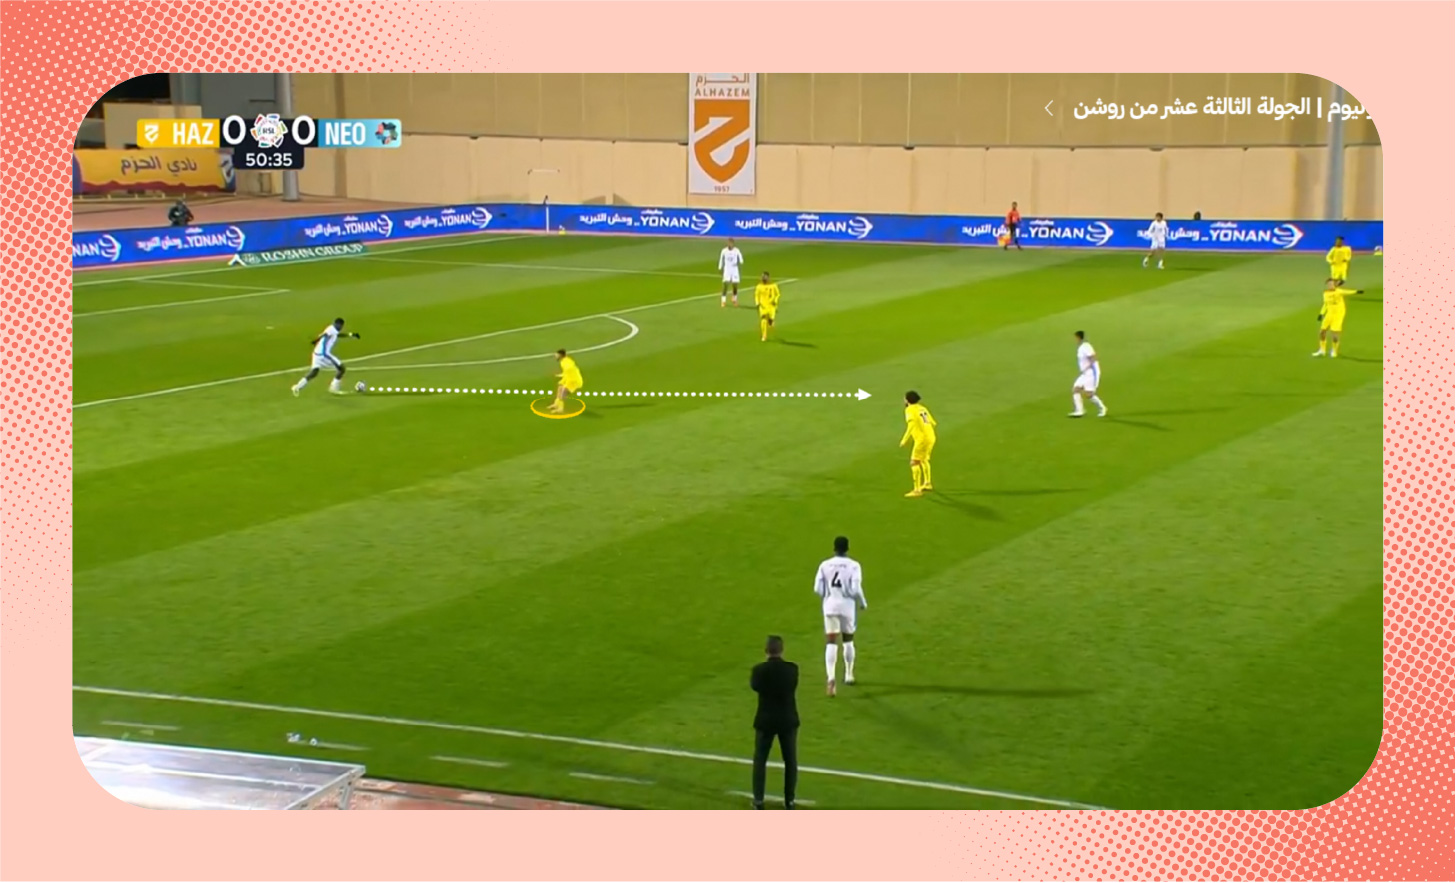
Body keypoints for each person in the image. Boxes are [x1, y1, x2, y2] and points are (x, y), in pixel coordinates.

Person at [750, 635, 800, 810]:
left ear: (766, 650)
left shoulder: (758, 671)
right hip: (788, 720)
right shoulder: (792, 670)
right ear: (782, 650)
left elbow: (755, 686)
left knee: (760, 760)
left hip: (766, 720)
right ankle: (789, 800)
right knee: (790, 761)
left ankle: (758, 800)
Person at [814, 536, 867, 696]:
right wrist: (862, 602)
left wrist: (827, 596)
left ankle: (831, 677)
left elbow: (817, 588)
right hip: (847, 607)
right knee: (848, 640)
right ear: (847, 548)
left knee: (831, 641)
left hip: (830, 606)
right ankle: (849, 674)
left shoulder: (825, 565)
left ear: (834, 548)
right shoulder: (854, 565)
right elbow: (856, 588)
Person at [292, 318, 359, 397]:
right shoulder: (331, 330)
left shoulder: (332, 329)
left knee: (314, 372)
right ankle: (333, 388)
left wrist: (351, 334)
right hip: (324, 354)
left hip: (316, 353)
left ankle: (297, 387)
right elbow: (325, 336)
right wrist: (318, 343)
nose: (341, 327)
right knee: (342, 368)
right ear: (339, 324)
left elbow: (335, 335)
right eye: (341, 326)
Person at [1313, 278, 1364, 359]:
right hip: (1329, 314)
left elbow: (1348, 292)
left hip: (1338, 315)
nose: (1330, 285)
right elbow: (1325, 304)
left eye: (1331, 284)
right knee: (1322, 332)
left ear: (1335, 285)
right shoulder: (1325, 293)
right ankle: (1322, 350)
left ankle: (1334, 350)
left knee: (1334, 334)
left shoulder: (1339, 291)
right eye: (1329, 284)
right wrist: (1321, 313)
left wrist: (1357, 292)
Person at [900, 390, 937, 497]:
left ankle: (917, 490)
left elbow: (911, 425)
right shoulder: (922, 408)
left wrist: (905, 440)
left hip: (922, 440)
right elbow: (933, 422)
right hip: (931, 436)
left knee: (914, 462)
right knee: (924, 459)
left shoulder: (909, 410)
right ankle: (927, 483)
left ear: (907, 400)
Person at [1070, 330, 1107, 418]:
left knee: (1089, 395)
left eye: (1075, 338)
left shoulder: (1086, 347)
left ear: (1078, 338)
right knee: (1075, 389)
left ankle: (1102, 408)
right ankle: (1080, 410)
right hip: (1084, 374)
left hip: (1090, 374)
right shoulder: (1081, 347)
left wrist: (1092, 368)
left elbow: (1093, 357)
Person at [754, 271, 781, 342]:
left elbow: (778, 294)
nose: (763, 278)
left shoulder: (773, 286)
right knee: (763, 319)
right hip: (762, 306)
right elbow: (756, 295)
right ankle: (764, 335)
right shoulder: (759, 286)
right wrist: (757, 303)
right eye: (763, 277)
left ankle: (771, 321)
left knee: (770, 320)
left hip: (771, 306)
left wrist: (775, 300)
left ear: (768, 278)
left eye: (765, 277)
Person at [719, 238, 745, 308]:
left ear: (733, 244)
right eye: (728, 243)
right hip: (727, 269)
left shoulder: (736, 250)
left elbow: (741, 259)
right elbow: (721, 259)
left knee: (735, 285)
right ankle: (723, 301)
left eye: (731, 243)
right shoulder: (724, 251)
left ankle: (734, 299)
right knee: (725, 284)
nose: (730, 244)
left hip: (734, 269)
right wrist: (720, 267)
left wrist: (740, 261)